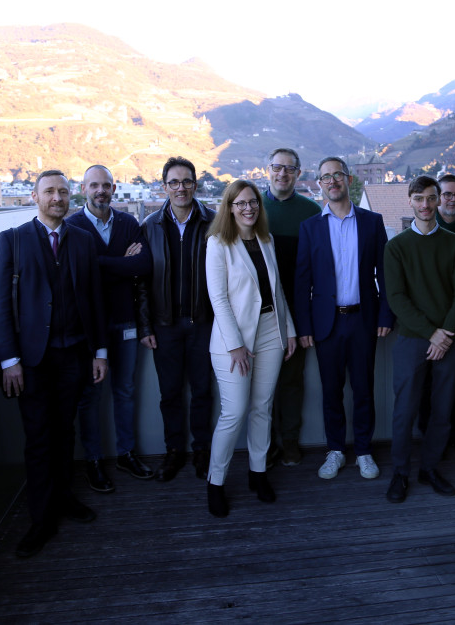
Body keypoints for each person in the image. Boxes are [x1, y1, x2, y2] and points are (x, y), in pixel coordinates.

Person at [0, 169, 108, 558]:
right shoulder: (12, 241)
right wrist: (9, 360)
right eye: (49, 192)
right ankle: (41, 520)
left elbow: (93, 300)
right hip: (32, 361)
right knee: (39, 440)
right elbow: (1, 307)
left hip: (74, 355)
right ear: (34, 197)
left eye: (62, 191)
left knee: (65, 434)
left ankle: (64, 500)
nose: (57, 197)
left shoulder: (83, 240)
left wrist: (99, 352)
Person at [294, 157, 394, 482]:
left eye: (338, 175)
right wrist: (305, 327)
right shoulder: (309, 227)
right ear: (319, 184)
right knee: (331, 390)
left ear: (348, 179)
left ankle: (364, 451)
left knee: (363, 390)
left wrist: (384, 313)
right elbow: (302, 281)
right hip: (327, 324)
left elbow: (385, 273)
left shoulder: (371, 222)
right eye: (326, 177)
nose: (332, 181)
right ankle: (335, 449)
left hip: (363, 320)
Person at [205, 180, 297, 517]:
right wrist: (235, 347)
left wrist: (288, 330)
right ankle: (216, 483)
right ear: (229, 207)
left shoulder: (265, 239)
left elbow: (277, 290)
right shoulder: (218, 244)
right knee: (233, 413)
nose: (248, 208)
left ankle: (257, 475)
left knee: (263, 407)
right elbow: (219, 299)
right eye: (241, 203)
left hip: (271, 332)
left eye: (253, 203)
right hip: (235, 342)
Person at [384, 176, 455, 503]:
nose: (425, 204)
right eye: (419, 198)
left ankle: (430, 468)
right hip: (412, 340)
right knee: (404, 411)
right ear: (410, 200)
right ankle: (400, 472)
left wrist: (444, 335)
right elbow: (396, 298)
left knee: (442, 409)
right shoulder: (396, 247)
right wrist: (431, 333)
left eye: (431, 198)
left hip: (448, 341)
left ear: (439, 201)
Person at [67, 165, 154, 493]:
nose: (101, 190)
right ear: (84, 188)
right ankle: (92, 460)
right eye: (94, 185)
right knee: (90, 397)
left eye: (106, 185)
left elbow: (143, 265)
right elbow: (78, 275)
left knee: (125, 391)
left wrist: (97, 263)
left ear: (114, 188)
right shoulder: (72, 227)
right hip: (88, 330)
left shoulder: (129, 223)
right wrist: (121, 263)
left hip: (126, 323)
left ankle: (125, 453)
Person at [137, 157, 216, 482]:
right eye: (174, 182)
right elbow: (140, 282)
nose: (180, 188)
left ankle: (201, 451)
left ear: (195, 185)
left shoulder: (213, 222)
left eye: (186, 181)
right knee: (169, 394)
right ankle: (173, 452)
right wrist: (145, 326)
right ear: (164, 186)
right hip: (164, 326)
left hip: (204, 325)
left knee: (201, 392)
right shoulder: (149, 227)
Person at [262, 148, 322, 467]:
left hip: (298, 311)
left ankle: (289, 443)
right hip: (259, 313)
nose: (282, 174)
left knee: (291, 382)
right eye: (277, 167)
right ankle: (264, 444)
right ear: (267, 170)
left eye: (289, 169)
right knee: (262, 384)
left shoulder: (311, 211)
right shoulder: (250, 208)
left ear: (299, 174)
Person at [417, 173, 455, 457]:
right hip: (427, 326)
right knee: (427, 385)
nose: (452, 199)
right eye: (447, 194)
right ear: (436, 198)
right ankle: (430, 441)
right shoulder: (425, 229)